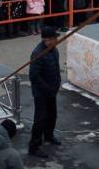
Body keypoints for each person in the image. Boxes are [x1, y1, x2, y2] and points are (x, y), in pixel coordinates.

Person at [27, 25, 62, 158]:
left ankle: (49, 135)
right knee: (40, 119)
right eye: (54, 38)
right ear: (46, 40)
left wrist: (57, 83)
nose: (56, 40)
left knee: (52, 115)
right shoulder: (38, 53)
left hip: (52, 90)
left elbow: (56, 68)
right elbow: (34, 76)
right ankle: (34, 146)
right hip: (41, 93)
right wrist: (47, 88)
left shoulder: (54, 50)